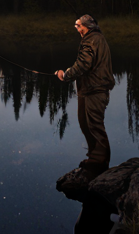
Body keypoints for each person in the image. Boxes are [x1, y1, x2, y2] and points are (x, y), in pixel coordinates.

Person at [56, 14, 115, 177]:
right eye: (76, 26)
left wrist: (65, 75)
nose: (77, 29)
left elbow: (83, 64)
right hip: (90, 88)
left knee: (94, 124)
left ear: (87, 26)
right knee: (85, 122)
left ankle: (100, 163)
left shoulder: (91, 40)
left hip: (95, 89)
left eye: (79, 26)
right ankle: (94, 158)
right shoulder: (96, 38)